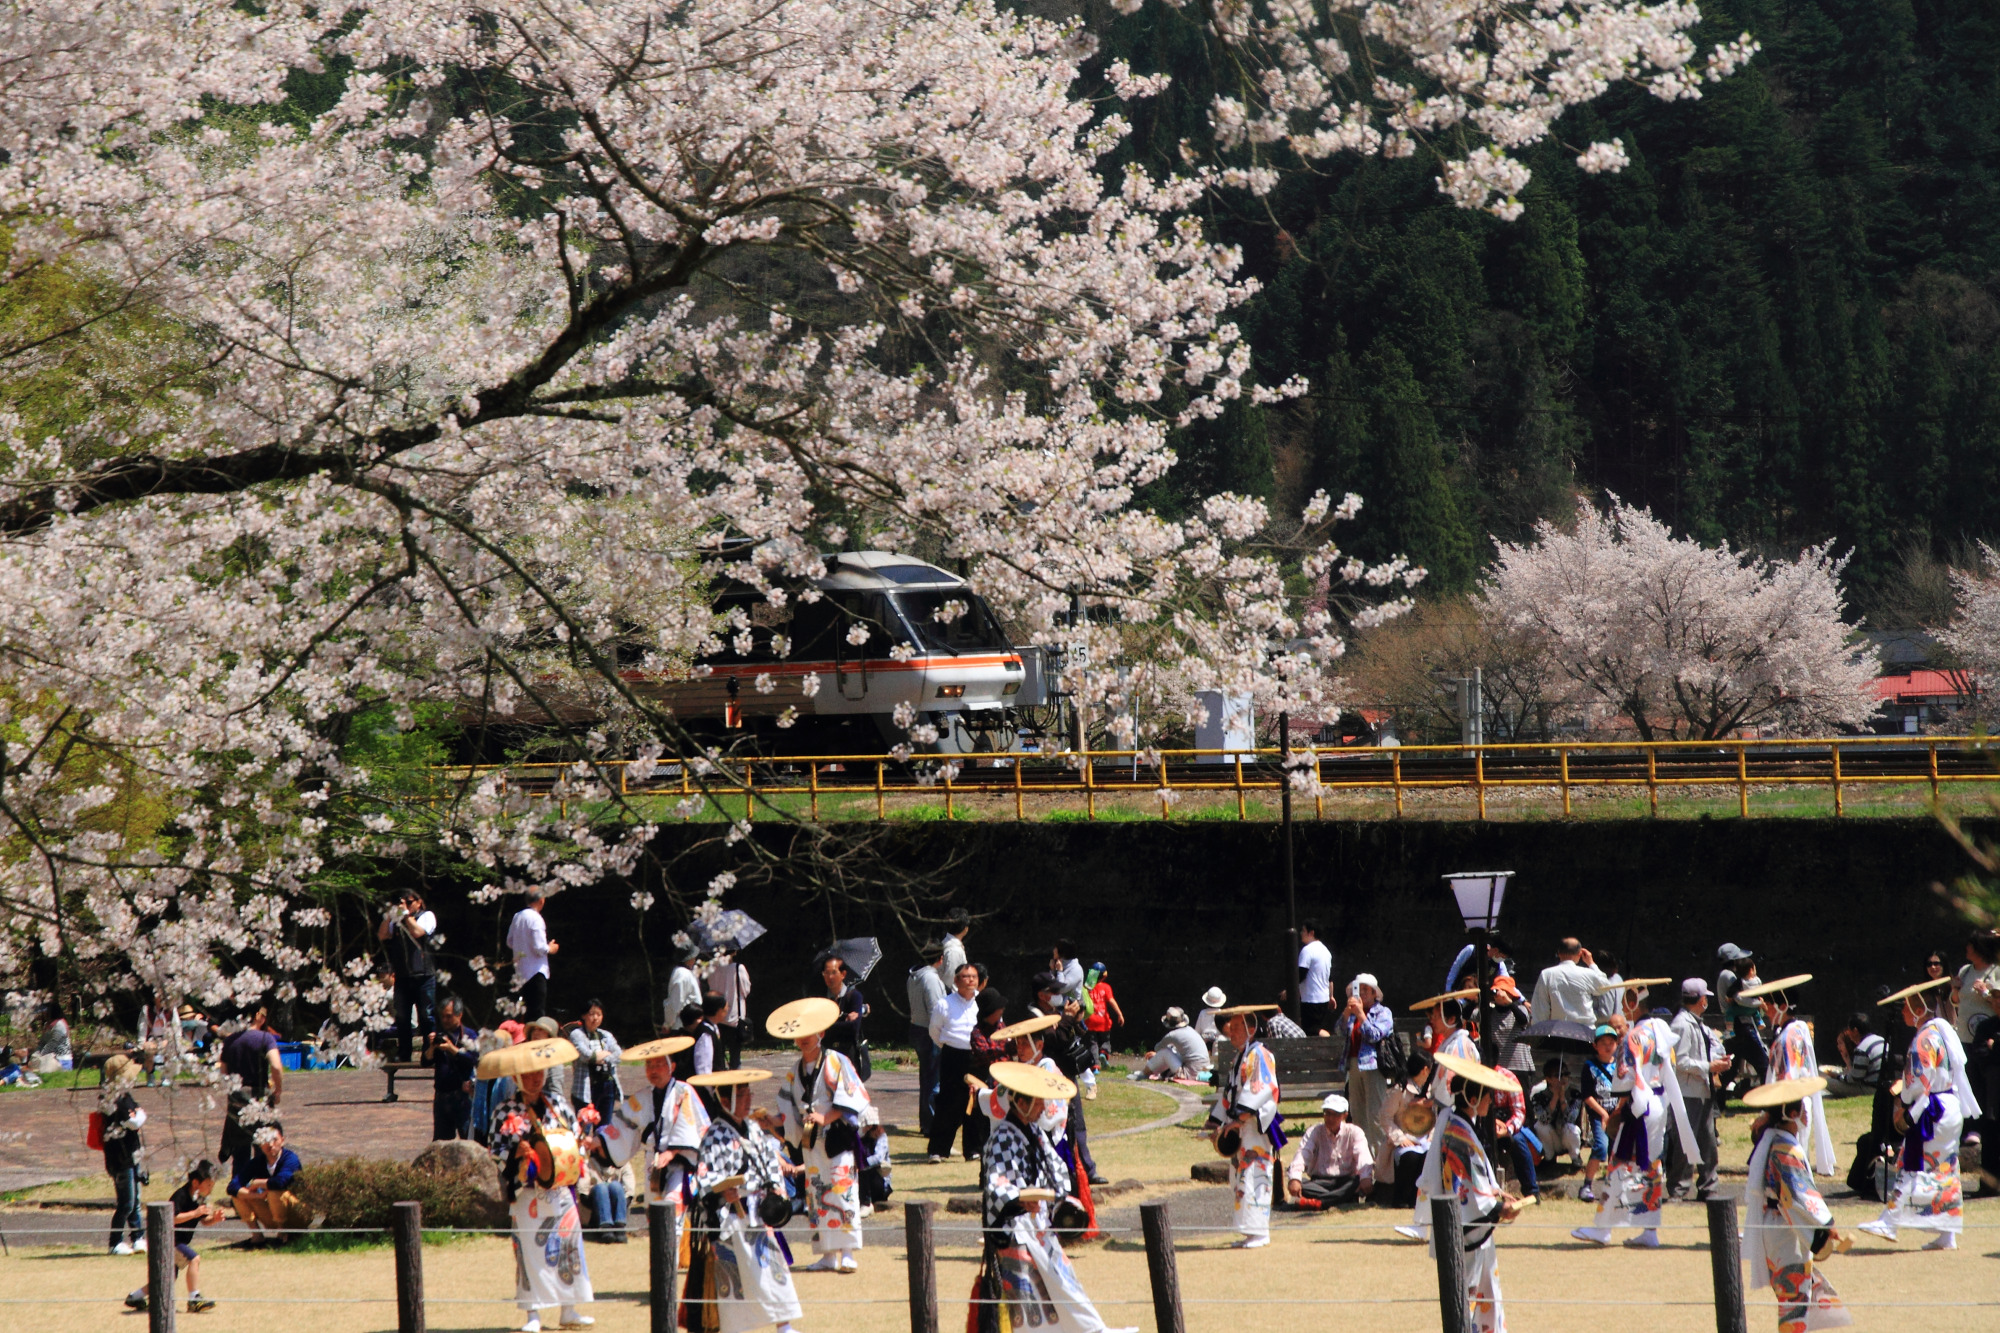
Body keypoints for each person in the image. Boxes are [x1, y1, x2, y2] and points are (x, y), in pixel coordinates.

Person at [972, 1061, 1128, 1333]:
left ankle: (1093, 1329)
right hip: (1014, 1230)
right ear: (1021, 1102)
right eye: (1039, 1102)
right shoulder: (1002, 1137)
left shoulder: (1033, 1132)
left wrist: (1057, 1196)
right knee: (1027, 1300)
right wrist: (1020, 1198)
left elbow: (1055, 1166)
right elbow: (997, 1185)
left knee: (1065, 1283)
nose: (1045, 1108)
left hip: (1038, 1224)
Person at [1858, 976, 1982, 1250]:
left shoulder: (1925, 1038)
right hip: (1949, 1107)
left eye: (1906, 1006)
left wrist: (1904, 1101)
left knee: (1912, 1164)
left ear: (1917, 1009)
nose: (1903, 1011)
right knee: (1945, 1168)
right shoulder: (1940, 1032)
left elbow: (1918, 1080)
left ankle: (1889, 1220)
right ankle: (1947, 1231)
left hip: (1932, 1110)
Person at [487, 1039, 600, 1333]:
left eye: (540, 1072)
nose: (535, 1078)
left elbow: (572, 1139)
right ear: (516, 1077)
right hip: (528, 1192)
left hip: (561, 1188)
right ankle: (533, 1315)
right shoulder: (505, 1110)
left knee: (568, 1247)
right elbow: (496, 1150)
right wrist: (517, 1154)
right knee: (529, 1251)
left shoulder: (559, 1104)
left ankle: (569, 1309)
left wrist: (581, 1143)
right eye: (528, 1073)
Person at [1571, 992, 1698, 1249]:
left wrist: (1621, 1107)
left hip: (1639, 1106)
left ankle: (1604, 1228)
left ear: (1631, 1004)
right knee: (1651, 1166)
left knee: (1620, 1163)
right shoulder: (1660, 1031)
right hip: (1658, 1105)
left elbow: (1623, 1078)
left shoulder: (1633, 1037)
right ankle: (1649, 1228)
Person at [684, 1068, 804, 1333]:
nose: (749, 1098)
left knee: (772, 1268)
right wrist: (723, 1190)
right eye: (743, 1094)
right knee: (733, 1279)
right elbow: (704, 1178)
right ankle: (733, 1328)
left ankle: (784, 1325)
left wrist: (774, 1186)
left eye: (749, 1092)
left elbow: (770, 1161)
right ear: (726, 1100)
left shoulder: (752, 1127)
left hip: (757, 1213)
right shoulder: (715, 1134)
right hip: (730, 1218)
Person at [1423, 1052, 1527, 1333]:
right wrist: (1497, 1208)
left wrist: (1497, 1194)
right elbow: (1468, 1186)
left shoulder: (1459, 1125)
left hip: (1469, 1222)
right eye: (1487, 1095)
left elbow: (1476, 1178)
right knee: (1467, 1290)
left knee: (1485, 1288)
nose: (1491, 1102)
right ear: (1472, 1097)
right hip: (1467, 1224)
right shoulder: (1459, 1132)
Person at [1741, 1077, 1851, 1333]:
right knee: (1794, 1299)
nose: (1805, 1113)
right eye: (1802, 1107)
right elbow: (1800, 1195)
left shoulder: (1773, 1142)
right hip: (1786, 1231)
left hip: (1777, 1225)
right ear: (1792, 1114)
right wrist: (1827, 1224)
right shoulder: (1785, 1149)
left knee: (1793, 1296)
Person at [771, 995, 871, 1273]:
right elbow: (787, 1108)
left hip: (837, 1138)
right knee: (816, 1194)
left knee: (842, 1191)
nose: (804, 1039)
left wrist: (826, 1116)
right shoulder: (794, 1071)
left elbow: (854, 1096)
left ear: (821, 1034)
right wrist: (771, 1121)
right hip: (810, 1141)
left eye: (809, 1034)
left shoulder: (836, 1061)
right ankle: (827, 1254)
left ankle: (848, 1252)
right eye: (799, 1035)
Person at [596, 1034, 706, 1238]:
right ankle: (661, 1269)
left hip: (680, 1165)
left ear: (672, 1066)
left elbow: (691, 1128)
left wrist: (673, 1152)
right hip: (653, 1164)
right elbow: (621, 1123)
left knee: (672, 1216)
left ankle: (669, 1268)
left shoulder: (684, 1091)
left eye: (658, 1064)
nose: (653, 1070)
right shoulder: (642, 1097)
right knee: (656, 1220)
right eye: (649, 1065)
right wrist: (598, 1141)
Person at [1743, 974, 1837, 1175]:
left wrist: (1769, 1114)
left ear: (1782, 1007)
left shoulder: (1789, 1037)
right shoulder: (1795, 1030)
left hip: (1790, 1110)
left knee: (1790, 1165)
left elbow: (1788, 1081)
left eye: (1768, 1005)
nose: (1765, 1011)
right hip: (1792, 1108)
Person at [1207, 1004, 1281, 1248]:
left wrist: (1239, 1119)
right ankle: (1249, 1231)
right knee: (1240, 1176)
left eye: (1238, 1027)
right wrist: (1215, 1120)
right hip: (1241, 1126)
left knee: (1254, 1174)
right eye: (1232, 1027)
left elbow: (1262, 1088)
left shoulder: (1260, 1054)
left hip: (1255, 1126)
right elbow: (1229, 1093)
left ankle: (1260, 1231)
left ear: (1251, 1029)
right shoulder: (1241, 1056)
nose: (1232, 1031)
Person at [124, 1160, 225, 1314]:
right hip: (169, 1240)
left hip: (179, 1242)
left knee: (167, 1278)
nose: (211, 1189)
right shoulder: (181, 1195)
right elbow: (171, 1217)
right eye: (209, 1184)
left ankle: (135, 1296)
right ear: (196, 1182)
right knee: (194, 1259)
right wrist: (195, 1213)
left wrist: (214, 1219)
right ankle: (194, 1299)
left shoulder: (199, 1198)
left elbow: (203, 1221)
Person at [1033, 973, 1104, 1186]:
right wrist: (1065, 1018)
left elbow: (1077, 1035)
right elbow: (1053, 1042)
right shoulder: (1033, 1015)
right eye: (1054, 992)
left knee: (1077, 1124)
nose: (1059, 995)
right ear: (1042, 995)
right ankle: (1058, 1171)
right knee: (1052, 1126)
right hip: (1048, 1077)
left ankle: (1086, 1169)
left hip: (1067, 1074)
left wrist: (1076, 1019)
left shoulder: (1057, 1012)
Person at [1667, 979, 1730, 1200]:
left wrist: (1717, 1061)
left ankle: (1708, 1185)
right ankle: (1678, 1188)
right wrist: (1709, 1066)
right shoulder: (1681, 1024)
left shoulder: (1698, 1023)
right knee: (1686, 1141)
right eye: (1705, 998)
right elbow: (1680, 1062)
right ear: (1700, 999)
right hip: (1688, 1092)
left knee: (1707, 1141)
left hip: (1703, 1089)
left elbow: (1714, 1046)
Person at [927, 962, 985, 1162]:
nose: (970, 980)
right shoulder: (945, 1004)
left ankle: (973, 1149)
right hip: (953, 1056)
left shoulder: (982, 1001)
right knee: (948, 1102)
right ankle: (938, 1149)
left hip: (977, 1057)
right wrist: (949, 1046)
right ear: (956, 980)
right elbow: (935, 1031)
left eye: (974, 977)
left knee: (976, 1102)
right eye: (965, 976)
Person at [218, 1005, 284, 1180]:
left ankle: (239, 1194)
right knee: (264, 1149)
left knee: (240, 1152)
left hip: (236, 1100)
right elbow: (276, 1066)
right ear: (257, 1016)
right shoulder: (265, 1038)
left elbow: (223, 1073)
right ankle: (261, 1191)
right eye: (264, 1015)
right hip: (259, 1097)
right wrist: (277, 1090)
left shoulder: (230, 1040)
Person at [377, 887, 439, 1063]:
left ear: (418, 902)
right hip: (403, 976)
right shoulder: (395, 921)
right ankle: (404, 1053)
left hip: (424, 975)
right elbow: (382, 935)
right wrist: (391, 915)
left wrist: (406, 916)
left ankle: (430, 1053)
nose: (405, 905)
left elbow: (418, 932)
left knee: (427, 1016)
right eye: (402, 902)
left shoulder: (427, 916)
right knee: (402, 1017)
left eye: (409, 902)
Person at [1341, 973, 1395, 1161]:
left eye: (1366, 990)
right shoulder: (1352, 1014)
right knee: (1357, 1115)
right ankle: (1363, 1162)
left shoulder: (1383, 1013)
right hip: (1354, 1066)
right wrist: (1346, 1015)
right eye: (1359, 990)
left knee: (1375, 1115)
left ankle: (1382, 1162)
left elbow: (1375, 1035)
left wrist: (1361, 1015)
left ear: (1374, 994)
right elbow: (1339, 1032)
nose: (1361, 994)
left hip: (1373, 1067)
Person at [1286, 1092, 1373, 1206]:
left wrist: (1365, 1177)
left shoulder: (1354, 1132)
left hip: (1346, 1180)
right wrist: (1295, 1179)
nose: (1330, 1118)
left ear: (1344, 1115)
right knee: (1302, 1184)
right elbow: (1303, 1154)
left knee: (1356, 1182)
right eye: (1327, 1113)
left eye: (1335, 1114)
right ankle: (1341, 1199)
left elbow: (1363, 1154)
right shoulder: (1315, 1131)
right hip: (1319, 1182)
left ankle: (1321, 1202)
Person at [99, 1055, 148, 1254]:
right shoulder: (112, 1099)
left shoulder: (125, 1096)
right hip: (120, 1158)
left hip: (132, 1154)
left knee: (135, 1201)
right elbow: (134, 1121)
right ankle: (115, 1242)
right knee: (126, 1202)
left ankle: (138, 1237)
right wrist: (139, 1115)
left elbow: (137, 1116)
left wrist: (138, 1114)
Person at [230, 1125, 306, 1245]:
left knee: (274, 1192)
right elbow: (232, 1186)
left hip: (297, 1213)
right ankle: (257, 1235)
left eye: (274, 1140)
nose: (270, 1144)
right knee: (238, 1195)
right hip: (272, 1213)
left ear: (282, 1140)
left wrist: (257, 1183)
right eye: (265, 1141)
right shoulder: (258, 1162)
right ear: (260, 1144)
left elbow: (280, 1182)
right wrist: (257, 1196)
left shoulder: (290, 1159)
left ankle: (282, 1234)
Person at [906, 940, 949, 1133]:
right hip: (929, 1031)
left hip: (917, 1027)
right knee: (933, 1079)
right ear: (940, 959)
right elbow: (935, 1011)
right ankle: (931, 1123)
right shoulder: (931, 979)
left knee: (926, 1077)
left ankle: (926, 1122)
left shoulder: (913, 976)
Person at [427, 995, 482, 1141]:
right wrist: (431, 1048)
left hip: (462, 1097)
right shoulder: (440, 1035)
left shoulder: (469, 1035)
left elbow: (474, 1060)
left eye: (449, 1016)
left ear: (460, 1015)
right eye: (442, 1016)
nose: (445, 1020)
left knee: (469, 1140)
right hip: (441, 1097)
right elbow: (425, 1062)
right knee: (441, 1143)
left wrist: (453, 1049)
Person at [1716, 944, 1766, 1100]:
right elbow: (1740, 999)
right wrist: (1760, 1004)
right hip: (1741, 1024)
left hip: (1737, 1025)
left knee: (1730, 1068)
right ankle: (1768, 1102)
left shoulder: (1726, 975)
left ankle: (1718, 1101)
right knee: (1764, 1064)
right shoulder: (1729, 976)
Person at [569, 998, 624, 1127]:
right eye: (591, 1014)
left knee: (604, 1129)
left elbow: (619, 1055)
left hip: (607, 1084)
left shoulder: (606, 1035)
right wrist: (603, 1055)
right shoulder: (577, 1034)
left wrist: (602, 1057)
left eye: (599, 1014)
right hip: (586, 1087)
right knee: (584, 1127)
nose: (595, 1018)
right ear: (583, 1015)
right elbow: (585, 1055)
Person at [1578, 1024, 1618, 1203]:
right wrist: (1603, 1114)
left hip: (1617, 1114)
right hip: (1598, 1114)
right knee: (1601, 1146)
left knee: (1616, 1151)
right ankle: (1586, 1185)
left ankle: (1613, 1186)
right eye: (1603, 1043)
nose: (1608, 1046)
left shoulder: (1620, 1065)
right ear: (1595, 1045)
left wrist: (1616, 1113)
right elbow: (1587, 1095)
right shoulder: (1589, 1066)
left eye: (1611, 1042)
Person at [507, 891, 558, 1022]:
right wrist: (551, 948)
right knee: (537, 1012)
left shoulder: (517, 916)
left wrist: (523, 948)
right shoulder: (536, 918)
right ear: (541, 900)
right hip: (536, 971)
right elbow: (539, 947)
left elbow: (510, 941)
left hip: (521, 971)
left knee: (525, 1012)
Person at [819, 954, 869, 1075]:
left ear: (843, 974)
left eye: (834, 972)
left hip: (848, 1054)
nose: (830, 977)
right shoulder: (821, 998)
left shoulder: (854, 996)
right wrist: (844, 1020)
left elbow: (853, 1028)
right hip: (826, 1053)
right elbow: (815, 1026)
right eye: (826, 973)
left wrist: (827, 1025)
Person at [1529, 1058, 1583, 1168]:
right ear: (1548, 1079)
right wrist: (1554, 1098)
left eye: (1566, 1074)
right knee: (1539, 1126)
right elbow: (1544, 1119)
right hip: (1551, 1136)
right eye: (1558, 1075)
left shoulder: (1575, 1093)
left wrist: (1562, 1098)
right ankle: (1549, 1157)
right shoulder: (1538, 1096)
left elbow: (1570, 1119)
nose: (1563, 1078)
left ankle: (1575, 1156)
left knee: (1571, 1128)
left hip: (1566, 1134)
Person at [1130, 1007, 1210, 1081]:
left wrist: (1156, 1054)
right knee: (1170, 1051)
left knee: (1165, 1052)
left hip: (1190, 1074)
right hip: (1203, 1071)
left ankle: (1143, 1073)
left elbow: (1158, 1048)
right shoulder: (1190, 1030)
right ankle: (1151, 1072)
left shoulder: (1172, 1035)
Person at [1822, 1013, 1886, 1099]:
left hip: (1871, 1089)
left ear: (1855, 1031)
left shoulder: (1862, 1048)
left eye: (1849, 1030)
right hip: (1884, 1085)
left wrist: (1836, 1076)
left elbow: (1855, 1079)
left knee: (1827, 1082)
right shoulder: (1881, 1040)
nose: (1848, 1034)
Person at [705, 953, 752, 1071]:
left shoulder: (713, 968)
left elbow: (710, 987)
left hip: (716, 1016)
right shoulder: (738, 968)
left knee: (718, 1055)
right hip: (734, 1017)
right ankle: (736, 1082)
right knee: (735, 1055)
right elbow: (745, 990)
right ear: (734, 952)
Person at [1081, 961, 1123, 1078]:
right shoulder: (1106, 987)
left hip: (1090, 1021)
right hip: (1103, 1021)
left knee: (1092, 1044)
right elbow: (1111, 1001)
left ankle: (1095, 1067)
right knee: (1105, 1040)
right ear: (1104, 976)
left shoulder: (1086, 988)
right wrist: (1119, 1014)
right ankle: (1104, 1053)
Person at [1297, 921, 1335, 1035]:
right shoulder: (1326, 951)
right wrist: (1331, 996)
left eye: (1303, 930)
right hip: (1323, 999)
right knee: (1315, 1030)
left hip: (1310, 999)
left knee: (1311, 1031)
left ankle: (1331, 1042)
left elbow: (1301, 974)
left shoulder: (1307, 950)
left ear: (1311, 933)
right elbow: (1330, 977)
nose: (1301, 933)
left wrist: (1289, 991)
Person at [690, 994, 727, 1077]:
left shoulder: (713, 1028)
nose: (726, 1012)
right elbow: (703, 1068)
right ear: (719, 1011)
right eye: (725, 1010)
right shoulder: (705, 1035)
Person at [936, 908, 971, 990]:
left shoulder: (946, 944)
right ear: (965, 929)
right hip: (951, 998)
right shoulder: (954, 950)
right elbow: (949, 980)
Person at [1050, 938, 1085, 1005]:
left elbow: (1061, 989)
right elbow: (1051, 986)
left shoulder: (1076, 969)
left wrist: (1059, 971)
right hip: (1058, 1007)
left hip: (1071, 1010)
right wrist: (1053, 970)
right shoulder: (1059, 963)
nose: (1053, 950)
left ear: (1062, 951)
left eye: (1056, 948)